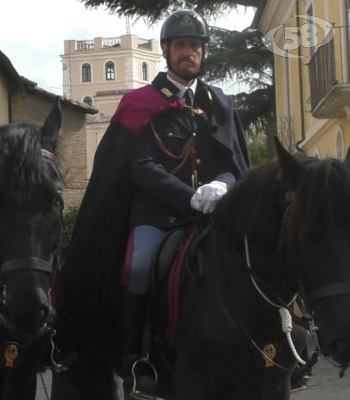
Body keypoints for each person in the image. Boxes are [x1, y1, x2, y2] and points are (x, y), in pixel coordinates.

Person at [56, 9, 250, 399]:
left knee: (259, 251)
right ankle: (137, 357)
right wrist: (189, 196)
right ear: (166, 51)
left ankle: (277, 343)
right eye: (181, 46)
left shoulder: (219, 103)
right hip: (159, 218)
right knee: (138, 265)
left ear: (205, 53)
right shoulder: (139, 103)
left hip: (214, 217)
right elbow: (138, 166)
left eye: (195, 46)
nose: (189, 53)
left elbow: (234, 165)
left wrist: (222, 186)